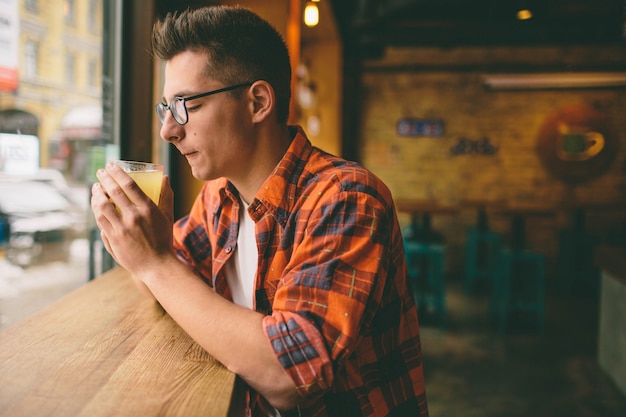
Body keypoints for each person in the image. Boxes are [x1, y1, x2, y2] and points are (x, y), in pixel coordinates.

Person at [90, 5, 428, 417]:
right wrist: (137, 240)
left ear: (258, 102)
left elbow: (288, 376)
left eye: (185, 105)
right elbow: (167, 288)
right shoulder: (219, 197)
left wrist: (155, 262)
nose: (168, 130)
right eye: (166, 108)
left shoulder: (348, 199)